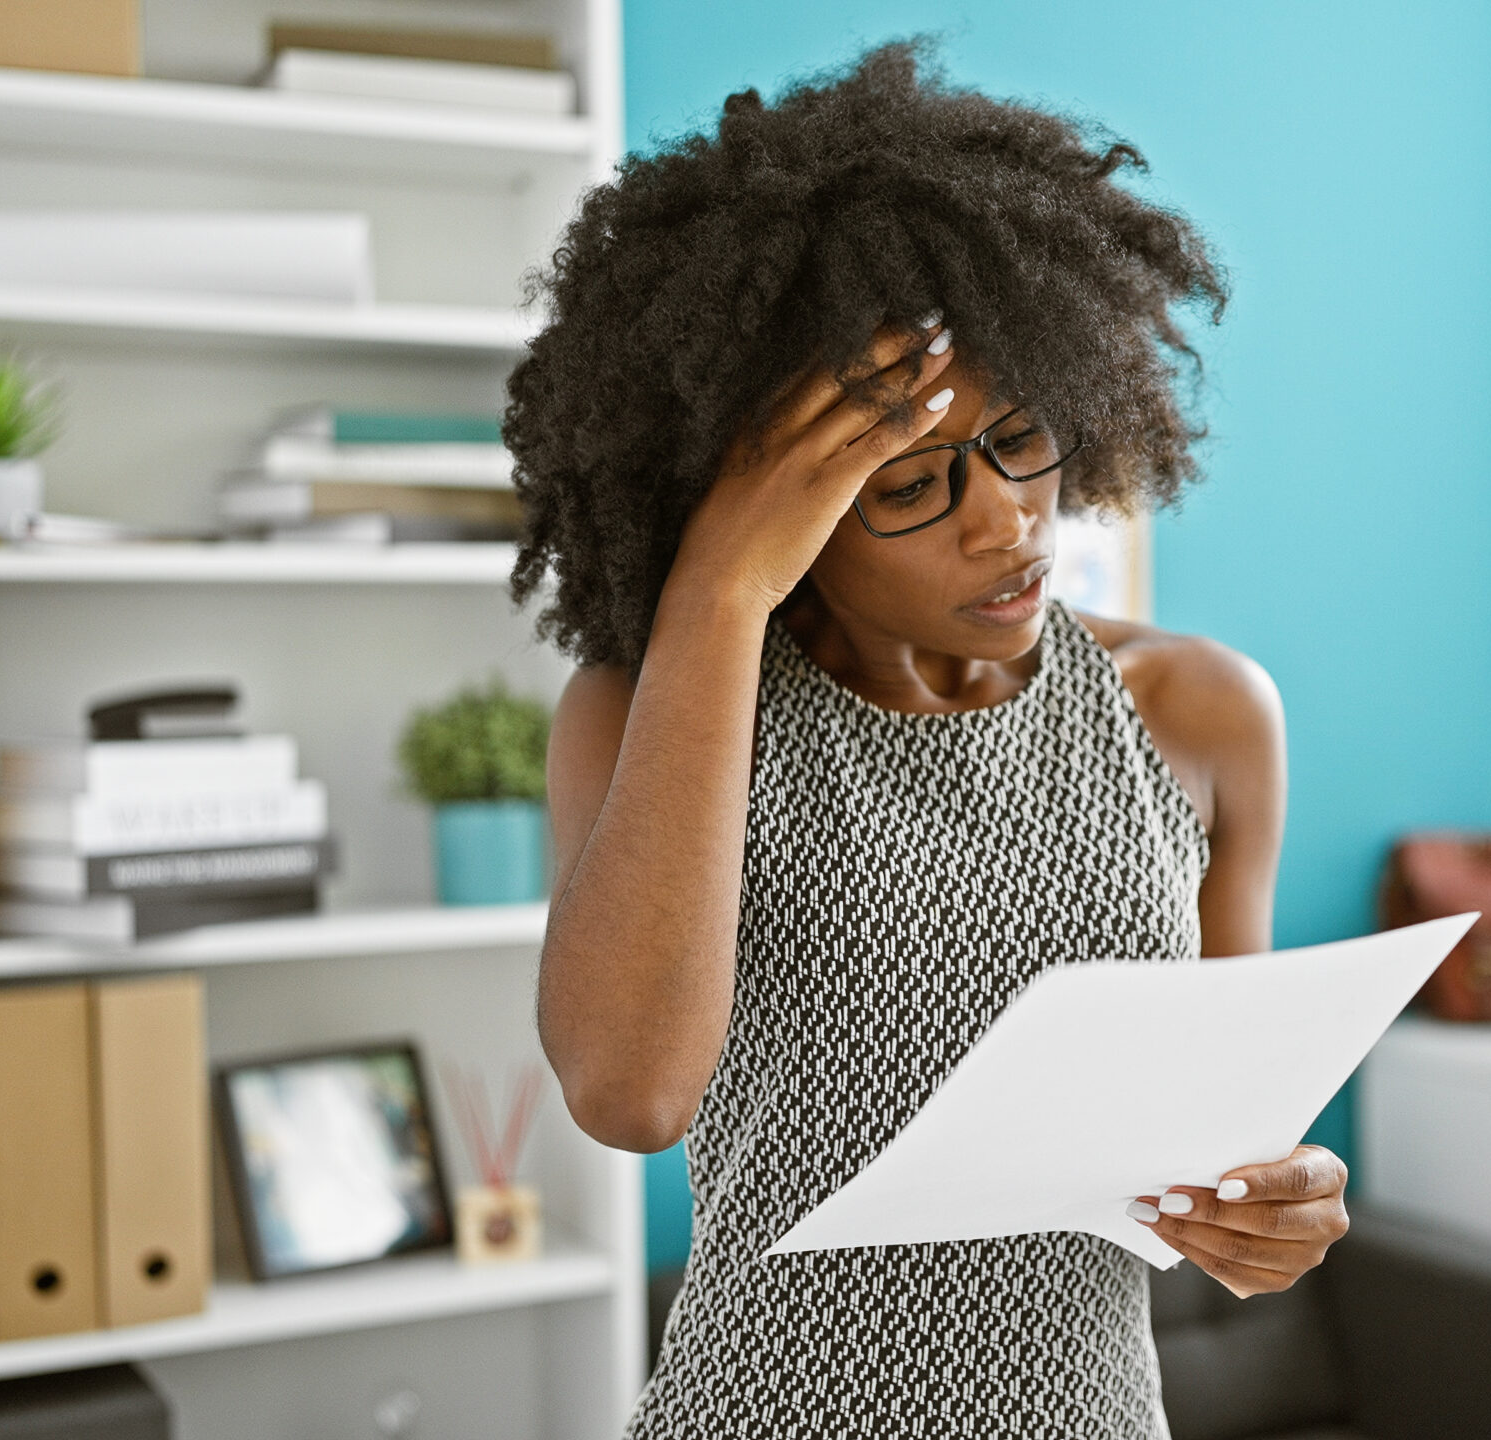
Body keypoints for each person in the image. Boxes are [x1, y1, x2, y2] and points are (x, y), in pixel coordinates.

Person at [510, 42, 1335, 1438]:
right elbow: (631, 1093)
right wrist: (719, 589)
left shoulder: (1199, 716)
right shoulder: (651, 709)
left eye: (1023, 437)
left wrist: (1274, 1206)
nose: (1006, 517)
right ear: (770, 507)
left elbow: (1216, 1135)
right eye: (909, 484)